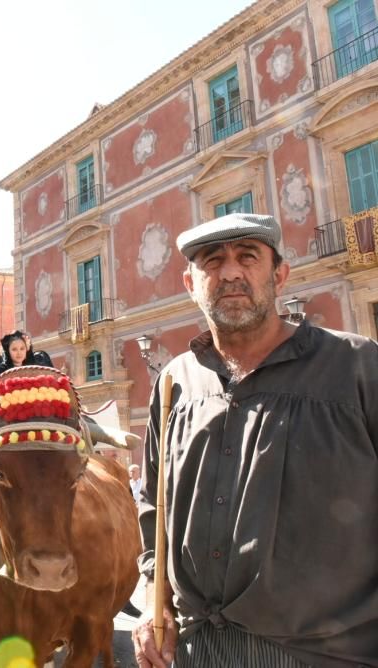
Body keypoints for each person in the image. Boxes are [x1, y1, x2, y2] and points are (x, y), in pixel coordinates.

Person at [133, 213, 378, 668]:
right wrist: (154, 602)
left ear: (280, 275)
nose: (230, 272)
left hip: (327, 655)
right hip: (196, 651)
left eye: (248, 257)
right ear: (190, 282)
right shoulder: (173, 385)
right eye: (213, 261)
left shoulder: (357, 367)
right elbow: (153, 512)